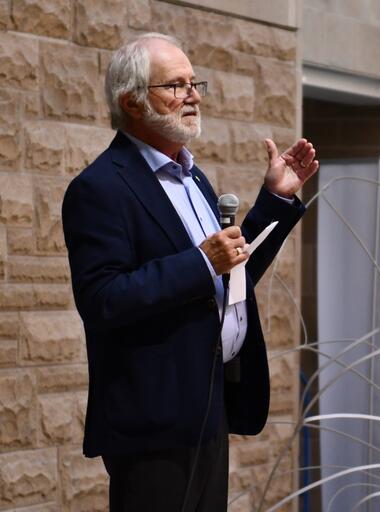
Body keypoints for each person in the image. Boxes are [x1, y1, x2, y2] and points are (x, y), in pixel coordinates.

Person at [61, 33, 319, 511]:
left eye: (193, 82)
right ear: (132, 101)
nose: (193, 95)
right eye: (175, 86)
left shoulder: (192, 176)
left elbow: (228, 275)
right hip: (152, 419)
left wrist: (276, 200)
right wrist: (201, 261)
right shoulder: (100, 189)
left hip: (209, 402)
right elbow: (103, 300)